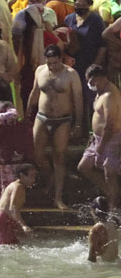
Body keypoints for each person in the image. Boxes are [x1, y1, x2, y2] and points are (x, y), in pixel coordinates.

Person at [26, 43, 83, 209]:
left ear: (61, 59)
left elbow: (78, 100)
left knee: (59, 156)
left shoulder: (71, 75)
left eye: (55, 63)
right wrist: (28, 110)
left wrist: (78, 124)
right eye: (49, 63)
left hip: (62, 119)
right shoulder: (40, 71)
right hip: (42, 116)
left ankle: (58, 197)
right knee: (36, 154)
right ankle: (50, 176)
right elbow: (35, 91)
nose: (52, 66)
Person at [79, 64, 121, 210]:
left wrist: (101, 147)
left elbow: (110, 124)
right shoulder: (100, 92)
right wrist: (93, 137)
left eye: (91, 82)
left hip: (111, 137)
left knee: (109, 170)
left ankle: (113, 206)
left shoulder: (110, 95)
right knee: (84, 167)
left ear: (99, 79)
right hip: (97, 138)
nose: (90, 85)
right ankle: (111, 192)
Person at [0, 164, 38, 245]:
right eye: (31, 176)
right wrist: (23, 226)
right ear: (22, 175)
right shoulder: (18, 187)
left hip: (0, 221)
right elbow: (13, 209)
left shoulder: (14, 185)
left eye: (34, 176)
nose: (33, 180)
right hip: (2, 222)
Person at [87, 197, 118, 263]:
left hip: (102, 267)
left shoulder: (96, 229)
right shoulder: (113, 225)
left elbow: (92, 257)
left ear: (94, 210)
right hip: (116, 263)